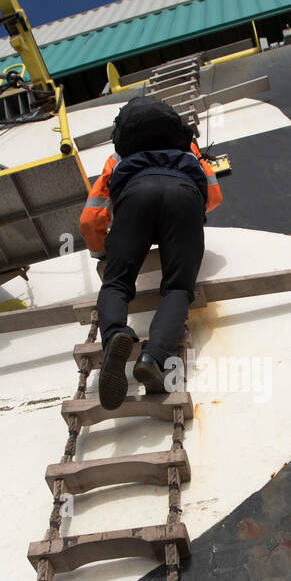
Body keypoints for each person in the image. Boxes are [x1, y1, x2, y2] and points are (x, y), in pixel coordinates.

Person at [79, 96, 223, 410]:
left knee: (116, 284)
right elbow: (213, 195)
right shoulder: (188, 150)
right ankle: (153, 357)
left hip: (135, 199)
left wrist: (105, 253)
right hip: (184, 198)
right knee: (177, 288)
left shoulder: (117, 158)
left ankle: (116, 334)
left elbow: (90, 218)